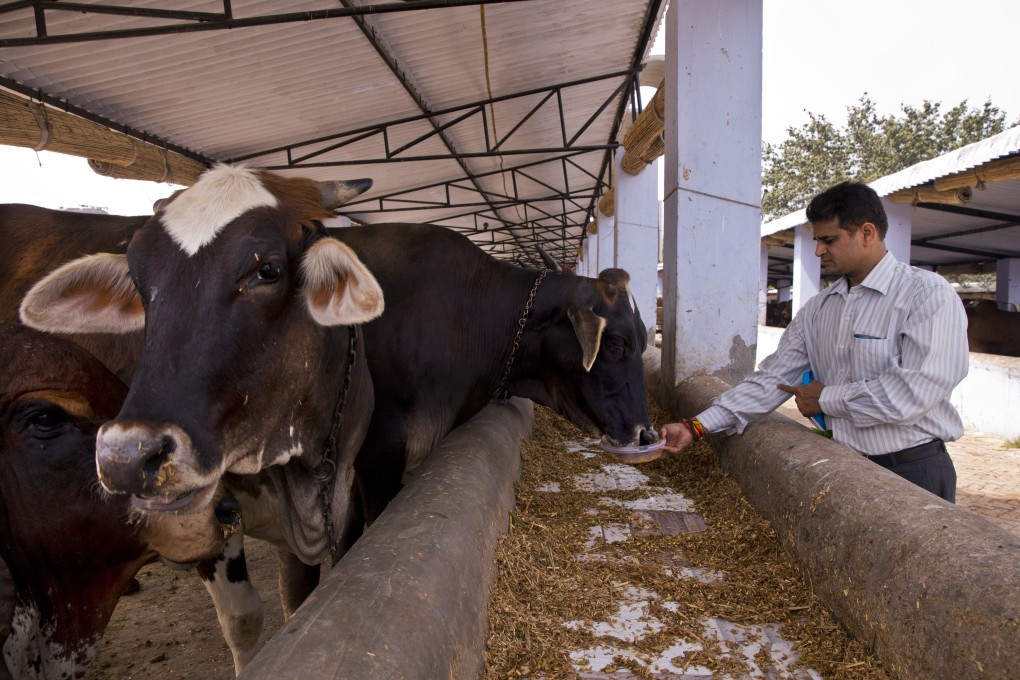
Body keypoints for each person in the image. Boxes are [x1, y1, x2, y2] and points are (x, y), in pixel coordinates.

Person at [661, 181, 969, 502]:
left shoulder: (927, 295)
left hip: (912, 468)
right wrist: (695, 427)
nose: (819, 250)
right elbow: (771, 381)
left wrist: (826, 400)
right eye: (817, 240)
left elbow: (911, 394)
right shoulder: (819, 309)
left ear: (867, 233)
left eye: (829, 240)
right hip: (846, 465)